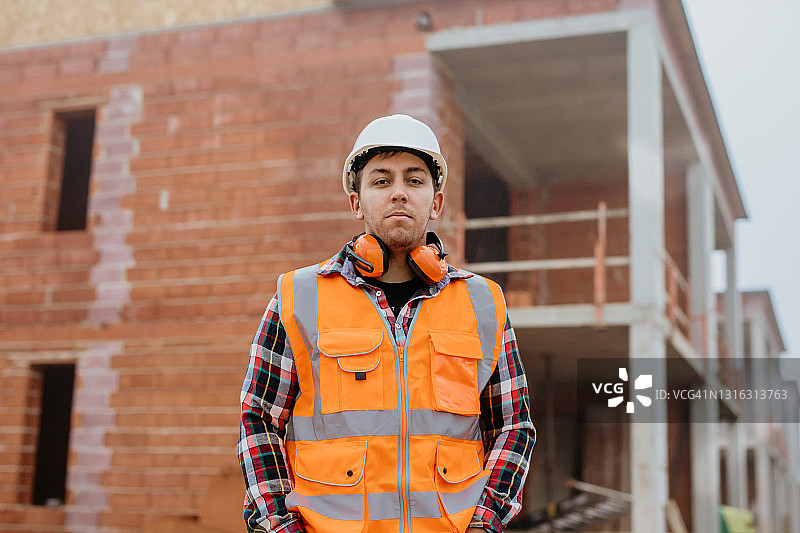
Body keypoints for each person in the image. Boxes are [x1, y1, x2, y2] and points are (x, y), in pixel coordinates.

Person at [239, 114, 535, 533]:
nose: (399, 193)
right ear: (356, 201)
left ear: (436, 202)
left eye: (414, 180)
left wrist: (484, 523)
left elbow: (513, 425)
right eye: (381, 181)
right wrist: (278, 526)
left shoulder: (483, 303)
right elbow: (260, 420)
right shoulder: (298, 297)